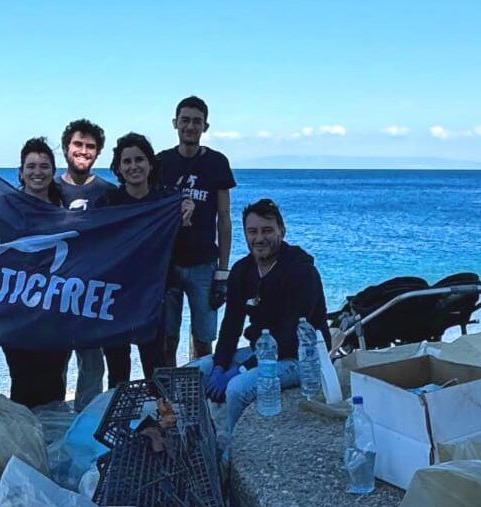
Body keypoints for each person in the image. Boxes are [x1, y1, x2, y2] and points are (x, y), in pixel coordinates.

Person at [195, 199, 330, 432]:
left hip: (300, 357)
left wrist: (241, 369)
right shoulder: (242, 270)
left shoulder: (300, 271)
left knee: (237, 389)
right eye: (252, 231)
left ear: (282, 231)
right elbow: (231, 325)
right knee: (197, 372)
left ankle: (231, 450)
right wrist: (220, 366)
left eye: (267, 230)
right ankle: (202, 438)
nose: (259, 238)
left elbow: (288, 336)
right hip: (262, 351)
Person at [157, 95, 236, 368]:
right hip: (167, 264)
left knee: (203, 339)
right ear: (175, 123)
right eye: (185, 120)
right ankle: (168, 395)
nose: (190, 126)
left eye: (196, 121)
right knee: (166, 338)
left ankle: (200, 393)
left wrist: (223, 272)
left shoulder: (217, 162)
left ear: (205, 126)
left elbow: (224, 219)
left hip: (203, 264)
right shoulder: (161, 162)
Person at [98, 132, 177, 386]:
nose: (134, 167)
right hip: (115, 297)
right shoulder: (108, 202)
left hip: (152, 296)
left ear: (150, 163)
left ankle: (159, 420)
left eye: (139, 159)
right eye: (127, 161)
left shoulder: (166, 201)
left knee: (156, 366)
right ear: (119, 168)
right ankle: (117, 421)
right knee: (117, 371)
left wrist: (185, 212)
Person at [0, 137, 73, 409]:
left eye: (44, 166)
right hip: (13, 311)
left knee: (54, 380)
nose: (37, 172)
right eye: (31, 166)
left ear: (53, 171)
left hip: (54, 311)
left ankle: (50, 444)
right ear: (21, 172)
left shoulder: (64, 212)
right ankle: (23, 440)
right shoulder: (5, 207)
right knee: (22, 380)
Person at [57, 119, 117, 410]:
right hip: (51, 291)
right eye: (77, 144)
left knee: (92, 365)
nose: (83, 151)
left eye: (90, 146)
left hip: (93, 292)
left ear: (98, 152)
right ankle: (53, 418)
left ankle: (85, 423)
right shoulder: (48, 188)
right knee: (52, 361)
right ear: (65, 147)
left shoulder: (109, 193)